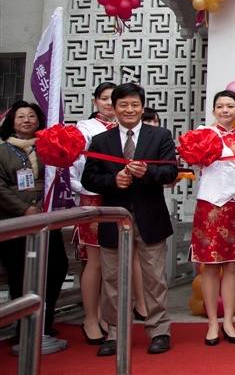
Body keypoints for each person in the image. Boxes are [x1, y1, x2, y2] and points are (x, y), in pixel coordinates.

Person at [82, 83, 178, 356]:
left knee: (155, 278)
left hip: (150, 217)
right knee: (113, 279)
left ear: (142, 106)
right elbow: (89, 179)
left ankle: (158, 330)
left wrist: (147, 172)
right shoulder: (101, 140)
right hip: (114, 219)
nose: (129, 109)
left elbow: (170, 172)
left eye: (135, 104)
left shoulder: (160, 136)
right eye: (123, 104)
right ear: (113, 107)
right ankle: (115, 332)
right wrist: (113, 180)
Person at [0, 101, 69, 345]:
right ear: (12, 122)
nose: (26, 120)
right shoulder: (3, 151)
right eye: (20, 116)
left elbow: (58, 178)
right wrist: (24, 209)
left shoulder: (48, 148)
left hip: (46, 218)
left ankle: (45, 320)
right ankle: (23, 325)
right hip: (14, 220)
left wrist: (43, 207)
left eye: (31, 116)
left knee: (57, 266)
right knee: (19, 273)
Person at [190, 90, 235, 346]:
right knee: (211, 266)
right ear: (214, 110)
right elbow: (196, 164)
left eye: (230, 106)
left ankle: (228, 321)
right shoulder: (204, 134)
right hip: (212, 205)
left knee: (232, 266)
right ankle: (212, 323)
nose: (225, 110)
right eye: (220, 106)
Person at [69, 82, 125, 343]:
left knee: (113, 261)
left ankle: (105, 314)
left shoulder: (125, 129)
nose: (109, 103)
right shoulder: (85, 129)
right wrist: (87, 189)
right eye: (104, 98)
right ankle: (90, 318)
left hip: (119, 198)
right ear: (95, 102)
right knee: (94, 260)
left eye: (114, 99)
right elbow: (73, 168)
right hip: (93, 199)